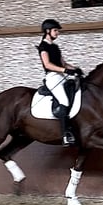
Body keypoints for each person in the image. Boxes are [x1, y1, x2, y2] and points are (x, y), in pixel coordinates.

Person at [37, 19, 83, 147]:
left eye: (57, 31)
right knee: (64, 101)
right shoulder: (43, 46)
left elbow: (63, 63)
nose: (57, 33)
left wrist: (75, 69)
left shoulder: (55, 47)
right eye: (55, 30)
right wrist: (65, 70)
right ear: (48, 31)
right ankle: (65, 135)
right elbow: (47, 64)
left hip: (61, 76)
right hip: (52, 77)